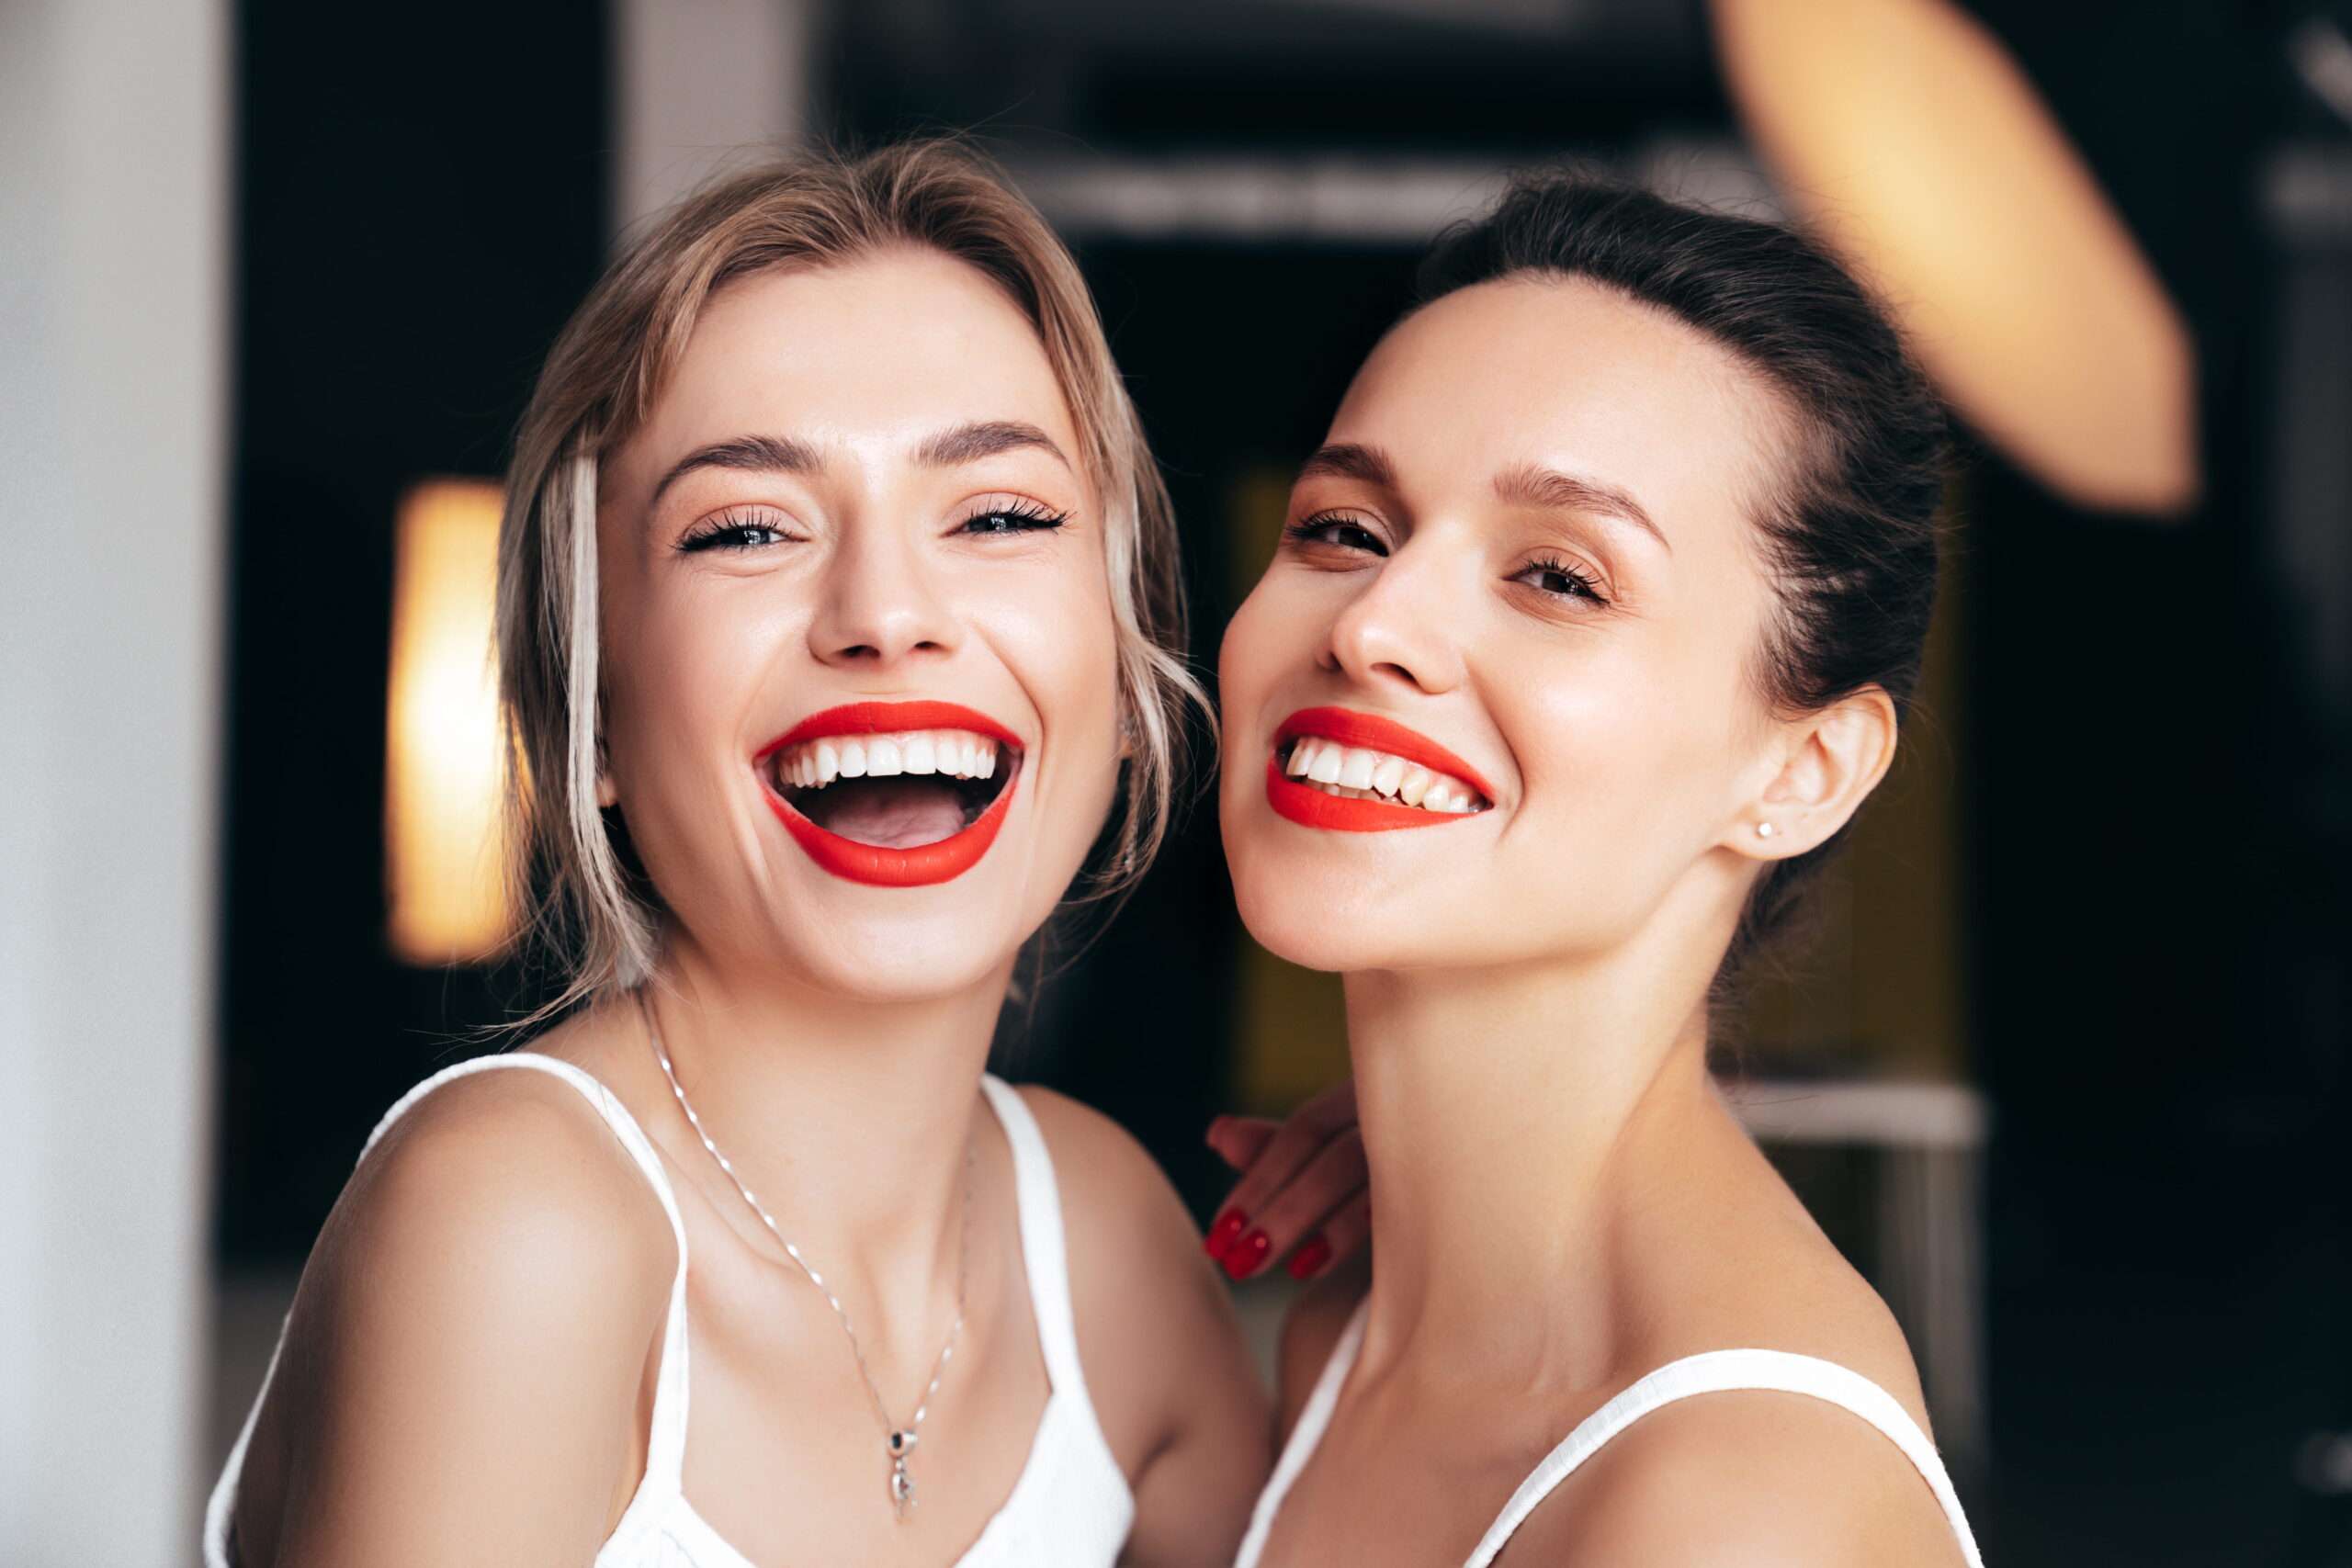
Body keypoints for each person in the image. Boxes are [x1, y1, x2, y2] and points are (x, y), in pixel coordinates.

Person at [206, 141, 1271, 1568]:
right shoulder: (518, 1224)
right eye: (747, 528)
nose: (887, 612)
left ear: (1129, 679)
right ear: (591, 706)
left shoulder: (1104, 1239)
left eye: (1001, 514)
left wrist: (1457, 1204)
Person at [1214, 171, 1984, 1566]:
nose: (1378, 622)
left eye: (1559, 577)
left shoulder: (1739, 1508)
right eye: (1344, 528)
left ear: (1798, 773)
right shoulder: (1336, 1344)